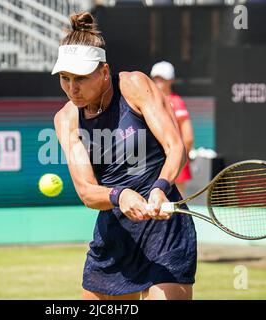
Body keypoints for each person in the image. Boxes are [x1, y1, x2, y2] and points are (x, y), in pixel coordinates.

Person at [52, 12, 197, 300]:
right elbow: (87, 192)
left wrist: (160, 188)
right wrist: (121, 196)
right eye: (65, 78)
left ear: (104, 72)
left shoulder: (134, 85)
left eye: (80, 78)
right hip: (114, 233)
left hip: (164, 228)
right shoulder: (66, 119)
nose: (72, 88)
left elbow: (175, 147)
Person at [150, 61, 194, 196]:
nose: (159, 82)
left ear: (171, 80)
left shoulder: (176, 102)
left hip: (174, 157)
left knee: (177, 201)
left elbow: (188, 137)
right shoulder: (149, 102)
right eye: (156, 78)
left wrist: (179, 157)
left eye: (162, 78)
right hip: (153, 160)